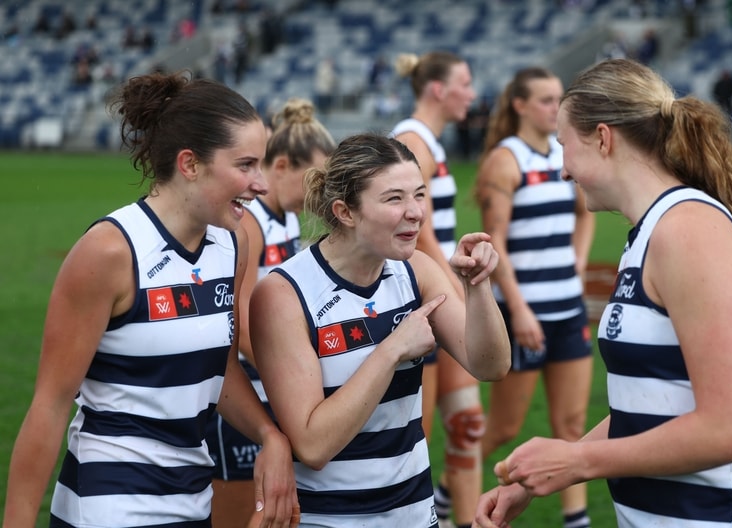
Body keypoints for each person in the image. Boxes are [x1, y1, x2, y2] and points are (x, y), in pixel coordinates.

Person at [475, 58, 732, 528]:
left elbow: (729, 430)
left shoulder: (688, 233)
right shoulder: (651, 231)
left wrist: (576, 463)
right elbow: (645, 410)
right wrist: (547, 473)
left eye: (565, 147)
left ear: (603, 138)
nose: (563, 171)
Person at [3, 71, 299, 528]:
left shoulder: (230, 244)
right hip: (110, 504)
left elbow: (217, 365)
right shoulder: (109, 252)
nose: (260, 183)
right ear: (190, 164)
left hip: (194, 500)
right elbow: (50, 403)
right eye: (245, 165)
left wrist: (269, 435)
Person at [249, 133, 511, 527]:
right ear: (345, 212)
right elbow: (313, 443)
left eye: (420, 195)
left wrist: (477, 290)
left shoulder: (416, 271)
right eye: (394, 198)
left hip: (415, 513)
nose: (416, 212)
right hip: (332, 519)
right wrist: (391, 351)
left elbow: (491, 365)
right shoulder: (284, 293)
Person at [474, 67, 595, 528]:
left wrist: (577, 265)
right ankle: (456, 489)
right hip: (524, 314)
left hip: (568, 309)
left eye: (557, 99)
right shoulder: (506, 161)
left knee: (572, 424)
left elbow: (586, 215)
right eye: (545, 100)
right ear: (519, 106)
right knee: (504, 428)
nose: (555, 107)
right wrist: (519, 309)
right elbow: (494, 242)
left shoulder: (567, 155)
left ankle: (576, 518)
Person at [207, 97, 336, 528]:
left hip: (272, 387)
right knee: (242, 516)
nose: (322, 191)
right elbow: (238, 320)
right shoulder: (251, 222)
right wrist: (297, 377)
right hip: (246, 392)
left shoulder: (288, 218)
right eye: (315, 179)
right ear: (281, 167)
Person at [390, 51, 483, 528]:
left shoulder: (427, 142)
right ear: (437, 90)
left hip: (436, 296)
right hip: (424, 304)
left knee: (467, 427)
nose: (472, 91)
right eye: (464, 82)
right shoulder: (413, 142)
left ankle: (450, 514)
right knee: (419, 434)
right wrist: (457, 298)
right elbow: (420, 238)